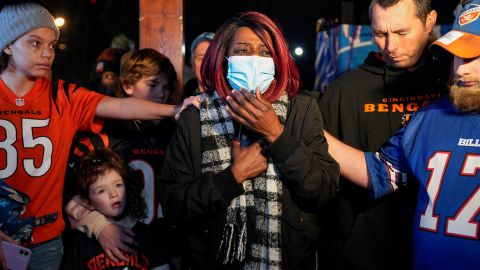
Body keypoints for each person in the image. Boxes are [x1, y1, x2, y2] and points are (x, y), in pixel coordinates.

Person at [0, 2, 199, 269]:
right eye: (35, 43)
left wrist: (175, 109)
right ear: (8, 45)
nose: (47, 53)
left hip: (46, 240)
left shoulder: (62, 95)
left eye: (52, 46)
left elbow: (119, 105)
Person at [159, 11, 339, 269]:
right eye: (243, 51)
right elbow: (174, 205)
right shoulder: (196, 118)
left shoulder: (302, 109)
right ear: (224, 59)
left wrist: (276, 134)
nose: (255, 59)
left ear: (277, 60)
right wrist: (232, 177)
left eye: (265, 53)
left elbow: (324, 190)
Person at [324, 1, 480, 268]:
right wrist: (300, 126)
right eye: (456, 55)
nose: (460, 69)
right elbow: (381, 172)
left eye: (473, 56)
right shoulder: (430, 115)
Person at [64, 48, 182, 267]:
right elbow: (71, 191)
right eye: (152, 85)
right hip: (119, 242)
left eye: (166, 87)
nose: (161, 94)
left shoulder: (173, 132)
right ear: (127, 86)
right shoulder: (104, 135)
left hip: (165, 241)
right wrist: (98, 225)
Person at [62, 149, 177, 269]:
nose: (114, 193)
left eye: (118, 185)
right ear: (88, 203)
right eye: (102, 190)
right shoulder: (83, 242)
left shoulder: (147, 236)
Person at [183, 32, 214, 97]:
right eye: (201, 58)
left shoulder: (229, 96)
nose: (206, 64)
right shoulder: (185, 92)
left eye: (211, 58)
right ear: (192, 63)